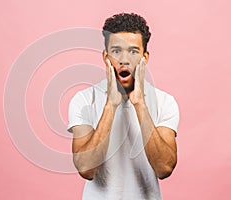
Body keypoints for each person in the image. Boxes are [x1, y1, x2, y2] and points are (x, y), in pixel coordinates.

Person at [67, 13, 179, 200]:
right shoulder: (84, 100)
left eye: (133, 51)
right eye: (117, 51)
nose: (124, 60)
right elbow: (86, 169)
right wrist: (110, 105)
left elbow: (164, 168)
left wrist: (140, 104)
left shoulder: (165, 102)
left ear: (145, 57)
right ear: (105, 57)